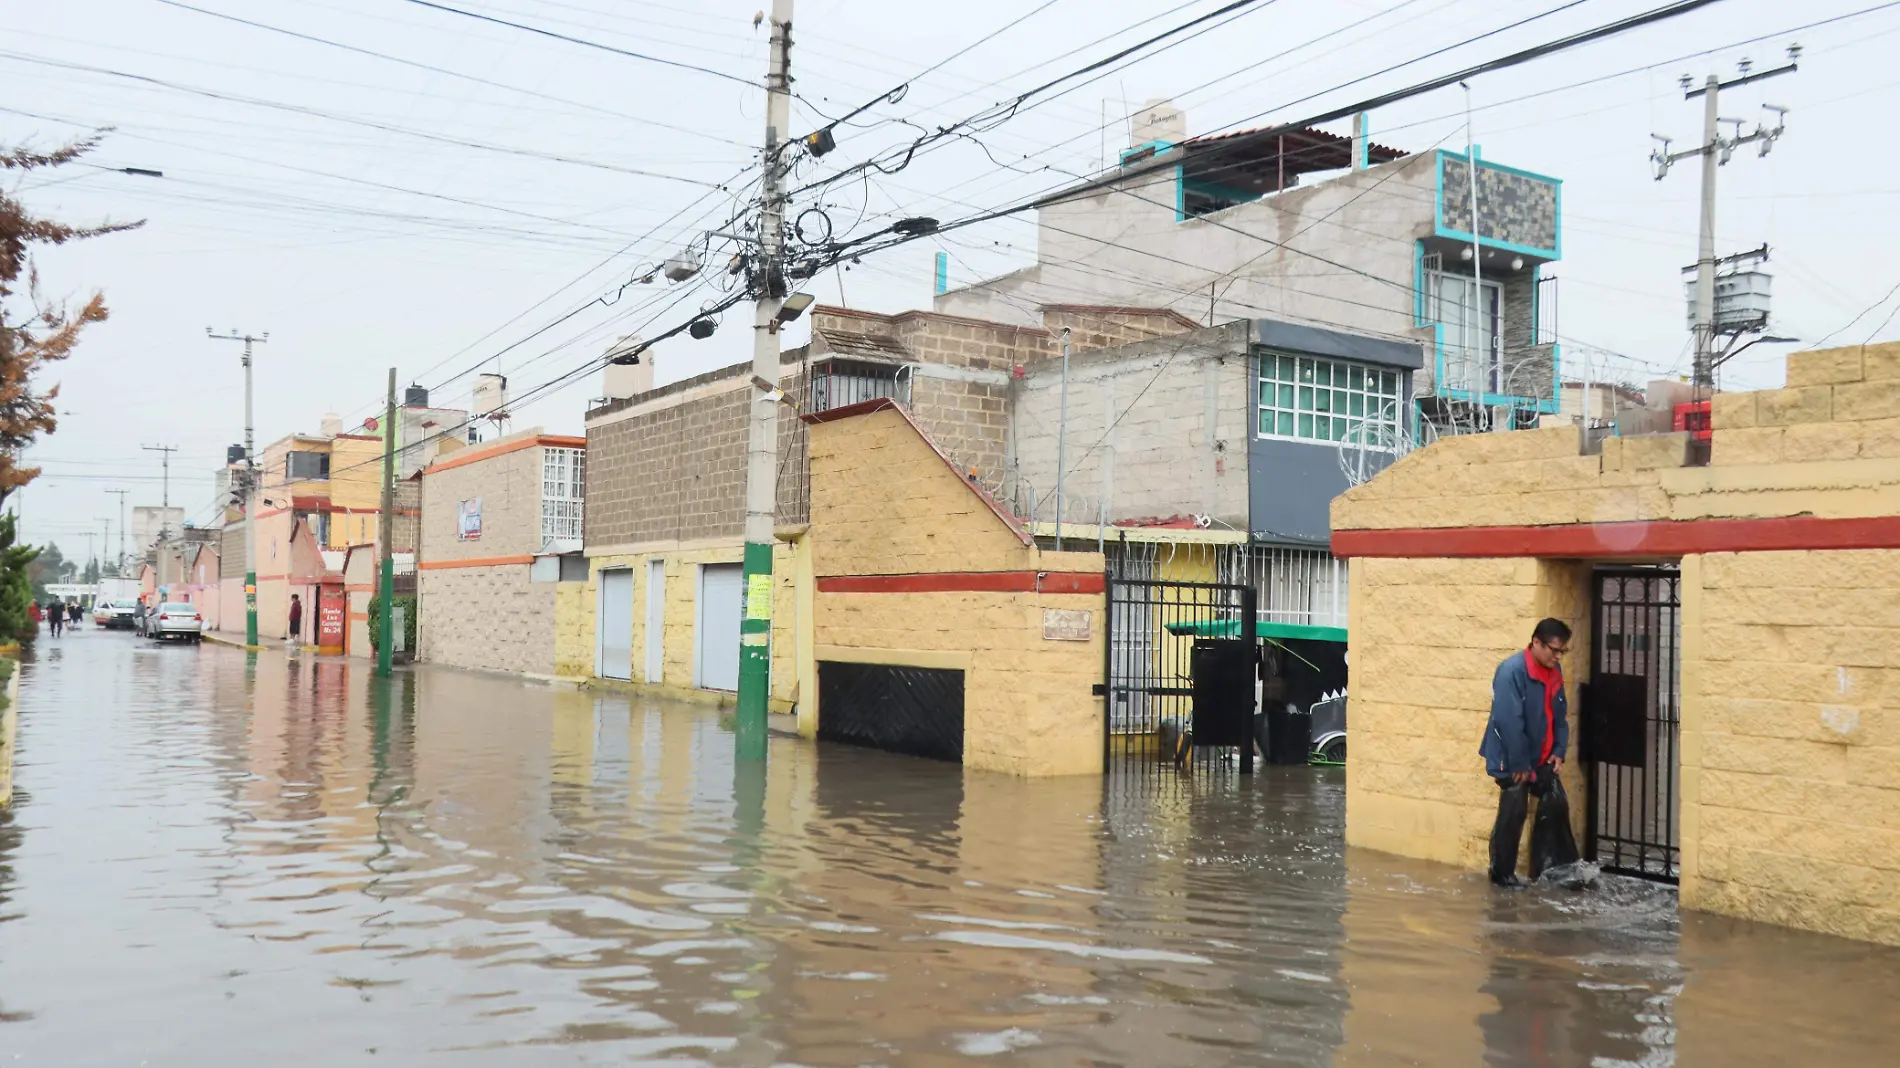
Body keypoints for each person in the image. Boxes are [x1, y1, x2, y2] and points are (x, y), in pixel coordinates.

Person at [1481, 618, 1573, 887]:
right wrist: (1520, 763)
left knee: (1555, 802)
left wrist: (1558, 750)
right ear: (1536, 642)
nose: (1557, 656)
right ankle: (1502, 874)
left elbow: (1559, 715)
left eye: (1562, 651)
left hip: (1541, 755)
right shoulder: (1511, 671)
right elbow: (1509, 720)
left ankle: (1548, 870)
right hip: (1511, 758)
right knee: (1514, 812)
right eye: (1554, 650)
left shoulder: (1554, 671)